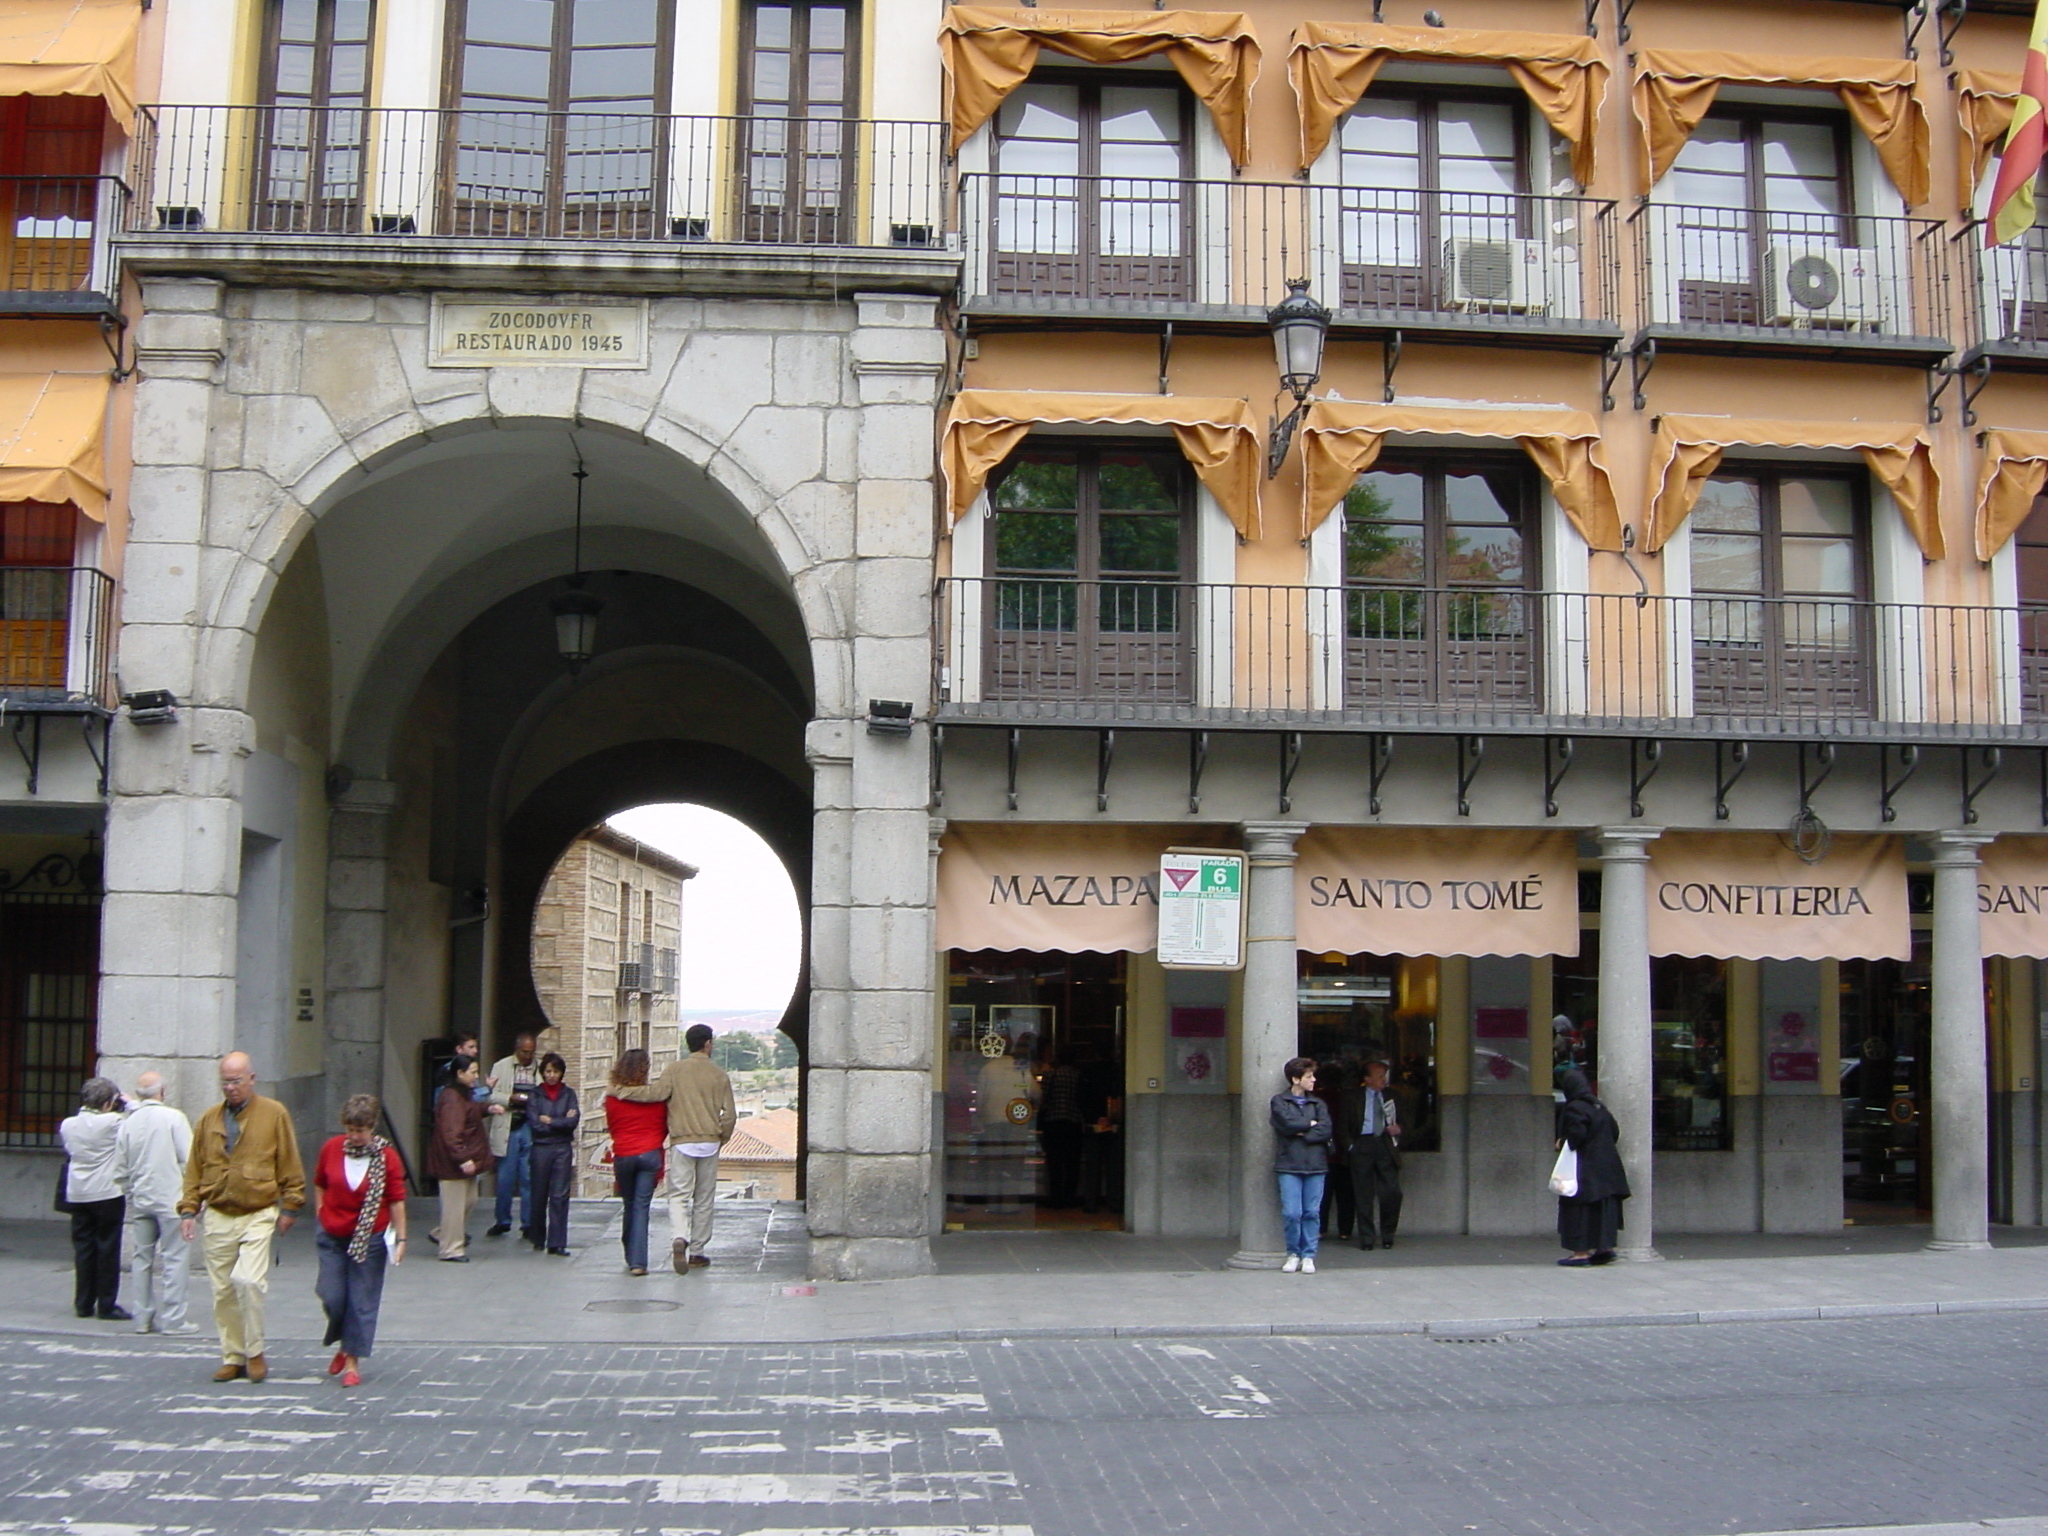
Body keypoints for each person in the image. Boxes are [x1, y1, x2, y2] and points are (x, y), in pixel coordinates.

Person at [179, 1052, 306, 1383]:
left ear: (252, 1078)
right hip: (219, 1212)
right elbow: (194, 1169)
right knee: (222, 1290)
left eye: (236, 1081)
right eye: (225, 1081)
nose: (231, 1087)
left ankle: (255, 1351)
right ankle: (232, 1356)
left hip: (259, 1211)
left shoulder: (274, 1114)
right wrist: (189, 1209)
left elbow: (289, 1161)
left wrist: (291, 1205)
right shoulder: (209, 1120)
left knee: (248, 1281)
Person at [611, 1023, 735, 1273]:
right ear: (708, 1044)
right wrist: (722, 1136)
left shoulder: (674, 1070)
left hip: (682, 1141)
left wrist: (622, 1092)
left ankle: (679, 1236)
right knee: (704, 1198)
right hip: (709, 1141)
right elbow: (730, 1114)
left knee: (679, 1195)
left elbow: (655, 1094)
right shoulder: (719, 1074)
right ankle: (698, 1251)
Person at [312, 1094, 407, 1387]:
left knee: (361, 1301)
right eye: (350, 1130)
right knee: (332, 1294)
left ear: (372, 1128)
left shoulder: (386, 1157)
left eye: (360, 1131)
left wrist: (401, 1237)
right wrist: (320, 1212)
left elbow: (396, 1201)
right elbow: (320, 1183)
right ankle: (342, 1340)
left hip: (370, 1238)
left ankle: (351, 1359)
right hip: (333, 1234)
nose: (354, 1136)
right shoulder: (331, 1149)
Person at [115, 1071, 196, 1334]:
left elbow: (120, 1167)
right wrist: (192, 1196)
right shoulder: (174, 1118)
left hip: (142, 1198)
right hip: (172, 1199)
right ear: (162, 1092)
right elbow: (190, 1160)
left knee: (142, 1258)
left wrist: (131, 1192)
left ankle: (142, 1317)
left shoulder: (128, 1123)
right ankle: (174, 1319)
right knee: (175, 1258)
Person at [59, 1077, 130, 1321]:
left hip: (78, 1192)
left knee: (83, 1248)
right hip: (107, 1192)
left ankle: (83, 1303)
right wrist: (128, 1102)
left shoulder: (68, 1124)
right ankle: (107, 1304)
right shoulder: (113, 1123)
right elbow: (139, 1119)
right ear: (109, 1103)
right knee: (107, 1248)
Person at [1555, 1069, 1630, 1267]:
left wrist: (1562, 1142)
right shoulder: (1599, 1106)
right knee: (1604, 1210)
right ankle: (1604, 1249)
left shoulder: (1575, 1107)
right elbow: (1615, 1131)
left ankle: (1580, 1254)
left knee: (1580, 1210)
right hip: (1609, 1169)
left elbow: (1577, 1134)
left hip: (1585, 1170)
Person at [604, 1048, 668, 1276]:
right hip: (650, 1153)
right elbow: (664, 1126)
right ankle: (638, 1262)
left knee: (629, 1205)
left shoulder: (612, 1098)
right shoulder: (656, 1098)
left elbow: (612, 1127)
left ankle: (630, 1252)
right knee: (642, 1207)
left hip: (624, 1155)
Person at [425, 1057, 494, 1261]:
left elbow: (470, 1112)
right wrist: (462, 1158)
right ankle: (451, 1249)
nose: (475, 1076)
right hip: (453, 1164)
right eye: (472, 1072)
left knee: (469, 1200)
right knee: (454, 1206)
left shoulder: (463, 1094)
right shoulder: (452, 1098)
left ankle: (442, 1233)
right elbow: (451, 1132)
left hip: (462, 1160)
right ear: (459, 1073)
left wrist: (487, 1109)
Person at [1270, 1056, 1332, 1275]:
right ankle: (1293, 1253)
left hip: (1316, 1164)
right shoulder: (1280, 1101)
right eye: (1309, 1076)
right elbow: (1285, 1125)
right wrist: (1310, 1125)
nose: (1313, 1080)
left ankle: (1308, 1255)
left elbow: (1326, 1129)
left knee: (1312, 1212)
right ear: (1296, 1079)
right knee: (1292, 1213)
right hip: (1289, 1164)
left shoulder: (1318, 1103)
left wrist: (1302, 1133)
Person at [484, 1033, 539, 1241]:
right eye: (524, 1052)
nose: (528, 1056)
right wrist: (510, 1098)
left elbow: (543, 1093)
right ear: (517, 1050)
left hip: (529, 1126)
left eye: (531, 1052)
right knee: (505, 1177)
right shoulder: (501, 1066)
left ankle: (528, 1222)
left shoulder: (538, 1068)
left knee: (528, 1176)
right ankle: (502, 1220)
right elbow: (491, 1094)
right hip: (508, 1126)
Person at [526, 1052, 580, 1256]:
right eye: (548, 1071)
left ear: (561, 1073)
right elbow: (535, 1125)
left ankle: (557, 1242)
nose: (551, 1075)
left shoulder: (569, 1094)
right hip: (540, 1147)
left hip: (562, 1149)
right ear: (542, 1072)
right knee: (539, 1194)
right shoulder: (535, 1095)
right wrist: (560, 1122)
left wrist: (551, 1121)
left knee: (559, 1195)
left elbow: (573, 1122)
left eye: (555, 1071)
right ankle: (537, 1236)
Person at [1348, 1058, 1403, 1251]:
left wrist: (1399, 1129)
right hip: (1362, 1144)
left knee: (1392, 1192)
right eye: (1379, 1076)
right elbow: (1342, 1125)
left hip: (1385, 1144)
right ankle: (1367, 1237)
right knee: (1363, 1194)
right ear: (1367, 1079)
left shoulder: (1393, 1096)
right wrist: (1351, 1147)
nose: (1383, 1080)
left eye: (1385, 1076)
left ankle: (1388, 1233)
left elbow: (1409, 1121)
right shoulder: (1353, 1096)